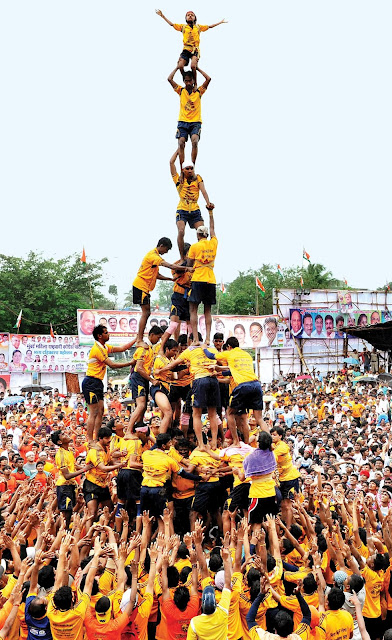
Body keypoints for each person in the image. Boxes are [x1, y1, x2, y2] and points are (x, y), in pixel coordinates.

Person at [82, 325, 135, 444]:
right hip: (91, 381)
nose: (108, 334)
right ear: (99, 336)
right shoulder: (97, 349)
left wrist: (136, 339)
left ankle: (97, 438)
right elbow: (112, 365)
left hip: (98, 382)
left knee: (100, 411)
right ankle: (90, 440)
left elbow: (121, 348)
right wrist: (130, 363)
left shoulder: (104, 347)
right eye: (106, 332)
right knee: (93, 412)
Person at [132, 238, 191, 345]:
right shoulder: (153, 256)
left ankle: (139, 339)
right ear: (162, 245)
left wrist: (169, 279)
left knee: (147, 312)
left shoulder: (155, 256)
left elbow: (157, 275)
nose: (166, 252)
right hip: (141, 285)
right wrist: (187, 268)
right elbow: (170, 266)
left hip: (144, 287)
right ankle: (139, 339)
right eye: (166, 249)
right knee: (146, 313)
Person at [156, 9, 226, 81]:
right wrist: (162, 16)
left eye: (192, 15)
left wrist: (220, 22)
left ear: (195, 18)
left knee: (193, 66)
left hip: (195, 50)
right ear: (186, 18)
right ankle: (185, 79)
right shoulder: (183, 27)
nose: (190, 16)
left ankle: (195, 82)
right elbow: (172, 24)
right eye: (188, 15)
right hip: (186, 49)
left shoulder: (198, 27)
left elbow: (209, 26)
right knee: (180, 66)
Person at [170, 151, 214, 258]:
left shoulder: (197, 178)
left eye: (191, 168)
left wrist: (208, 203)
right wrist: (179, 149)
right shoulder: (178, 179)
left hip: (195, 209)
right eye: (187, 169)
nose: (190, 170)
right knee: (181, 231)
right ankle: (182, 257)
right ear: (183, 170)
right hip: (182, 209)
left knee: (203, 232)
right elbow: (171, 162)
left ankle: (201, 255)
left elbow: (203, 191)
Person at [167, 66, 211, 167]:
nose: (188, 83)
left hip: (195, 122)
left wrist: (197, 69)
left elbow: (208, 79)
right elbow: (169, 79)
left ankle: (192, 166)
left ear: (193, 81)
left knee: (195, 141)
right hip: (183, 121)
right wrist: (178, 68)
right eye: (186, 81)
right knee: (181, 143)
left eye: (189, 81)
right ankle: (183, 168)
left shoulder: (199, 91)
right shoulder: (181, 91)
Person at [187, 210, 217, 345]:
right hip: (210, 279)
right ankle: (208, 338)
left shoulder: (194, 246)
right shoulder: (213, 243)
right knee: (207, 311)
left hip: (198, 278)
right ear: (207, 235)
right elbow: (213, 228)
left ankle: (195, 339)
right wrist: (210, 214)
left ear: (198, 235)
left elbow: (189, 264)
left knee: (193, 309)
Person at [51, 429, 92, 527]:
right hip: (64, 486)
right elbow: (67, 475)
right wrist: (84, 469)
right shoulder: (60, 455)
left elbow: (73, 466)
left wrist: (88, 469)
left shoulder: (69, 450)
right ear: (60, 442)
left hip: (71, 486)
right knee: (66, 513)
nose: (66, 434)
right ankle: (62, 533)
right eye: (63, 434)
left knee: (70, 511)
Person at [128, 325, 163, 433]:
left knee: (143, 406)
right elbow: (138, 368)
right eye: (158, 337)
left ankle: (139, 425)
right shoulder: (144, 348)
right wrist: (152, 380)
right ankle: (129, 430)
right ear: (152, 335)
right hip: (138, 377)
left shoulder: (150, 348)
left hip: (144, 378)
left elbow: (134, 363)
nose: (158, 340)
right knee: (141, 404)